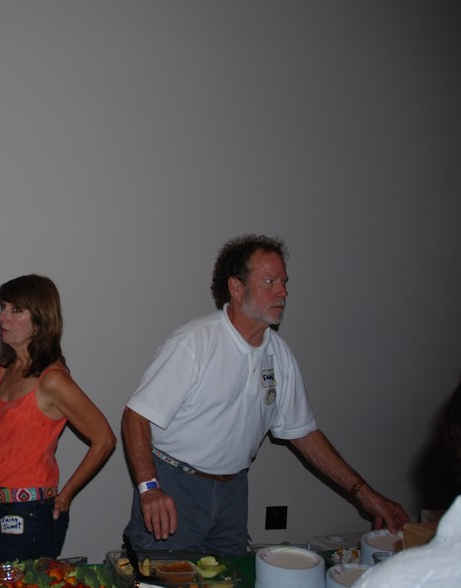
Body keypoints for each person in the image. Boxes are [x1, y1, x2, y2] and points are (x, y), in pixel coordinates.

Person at [123, 234, 410, 556]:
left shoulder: (279, 354)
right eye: (270, 281)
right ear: (236, 287)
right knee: (165, 574)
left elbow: (304, 434)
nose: (283, 292)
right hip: (176, 486)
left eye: (284, 282)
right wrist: (149, 488)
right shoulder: (195, 342)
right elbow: (136, 416)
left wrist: (367, 496)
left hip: (233, 491)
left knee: (232, 575)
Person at [0, 274, 116, 568]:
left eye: (15, 310)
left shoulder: (53, 380)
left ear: (39, 321)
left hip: (26, 512)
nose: (2, 317)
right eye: (3, 307)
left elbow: (105, 439)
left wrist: (67, 494)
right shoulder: (6, 367)